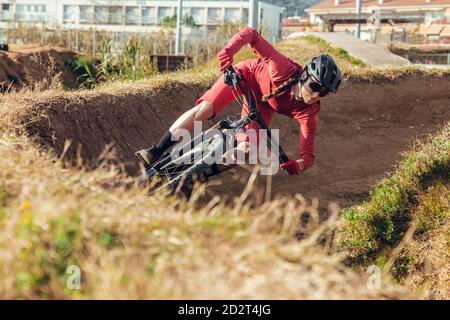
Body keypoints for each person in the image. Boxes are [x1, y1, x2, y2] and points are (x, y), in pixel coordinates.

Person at [135, 27, 342, 176]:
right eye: (315, 87)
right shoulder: (283, 67)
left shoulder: (309, 113)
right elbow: (251, 34)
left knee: (245, 152)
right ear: (304, 76)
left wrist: (299, 165)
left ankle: (198, 172)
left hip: (263, 104)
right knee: (204, 110)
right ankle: (155, 151)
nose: (316, 95)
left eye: (323, 93)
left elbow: (309, 155)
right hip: (246, 76)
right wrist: (229, 51)